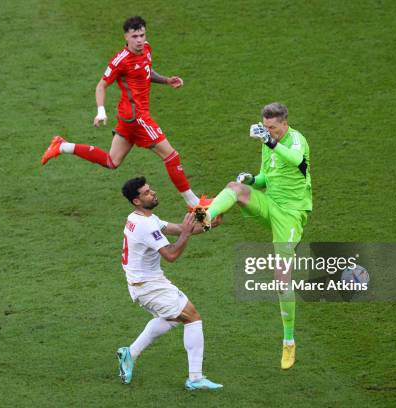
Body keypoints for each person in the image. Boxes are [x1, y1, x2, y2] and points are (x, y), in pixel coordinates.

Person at [194, 103, 312, 370]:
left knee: (282, 279)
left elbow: (295, 162)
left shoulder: (297, 140)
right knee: (235, 187)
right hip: (270, 203)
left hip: (291, 214)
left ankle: (289, 341)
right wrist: (252, 179)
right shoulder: (268, 142)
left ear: (284, 123)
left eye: (272, 128)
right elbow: (267, 179)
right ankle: (207, 215)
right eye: (265, 126)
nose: (268, 131)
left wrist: (268, 140)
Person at [41, 16, 203, 208]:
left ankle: (62, 146)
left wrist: (166, 80)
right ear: (126, 36)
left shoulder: (146, 49)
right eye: (135, 36)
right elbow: (101, 86)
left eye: (142, 35)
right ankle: (195, 204)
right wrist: (101, 111)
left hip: (129, 117)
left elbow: (145, 71)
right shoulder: (121, 60)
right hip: (137, 117)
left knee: (112, 161)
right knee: (171, 156)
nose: (140, 40)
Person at [117, 176, 222, 390]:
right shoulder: (144, 225)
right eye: (146, 192)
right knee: (192, 317)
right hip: (148, 286)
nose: (153, 192)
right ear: (137, 201)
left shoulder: (144, 218)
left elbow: (179, 229)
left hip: (146, 282)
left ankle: (131, 353)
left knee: (173, 319)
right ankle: (195, 378)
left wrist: (209, 223)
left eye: (150, 189)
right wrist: (185, 232)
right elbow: (171, 255)